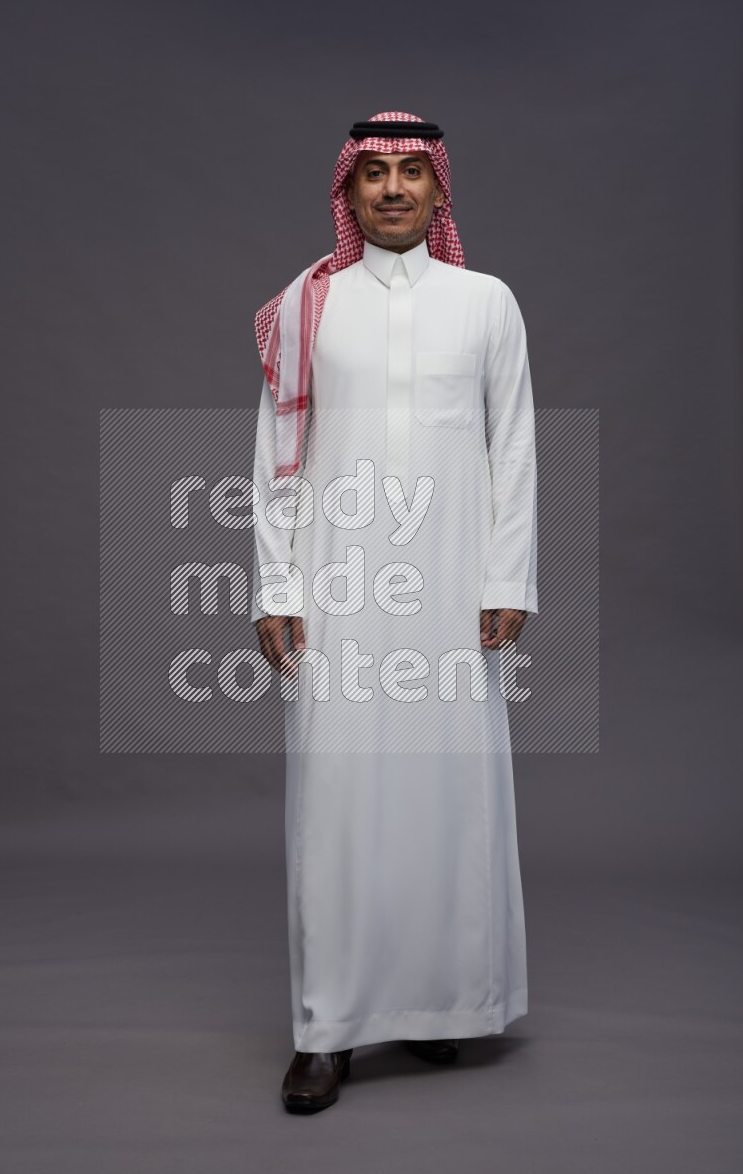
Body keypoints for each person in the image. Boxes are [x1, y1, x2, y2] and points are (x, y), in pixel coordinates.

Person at [249, 111, 538, 1113]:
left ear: (439, 190)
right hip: (339, 592)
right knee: (336, 807)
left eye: (411, 172)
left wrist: (508, 579)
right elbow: (273, 460)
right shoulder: (307, 308)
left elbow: (514, 450)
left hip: (453, 596)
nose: (392, 191)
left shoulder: (486, 302)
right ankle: (325, 1029)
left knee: (447, 800)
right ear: (349, 192)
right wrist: (275, 588)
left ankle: (441, 1008)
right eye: (373, 175)